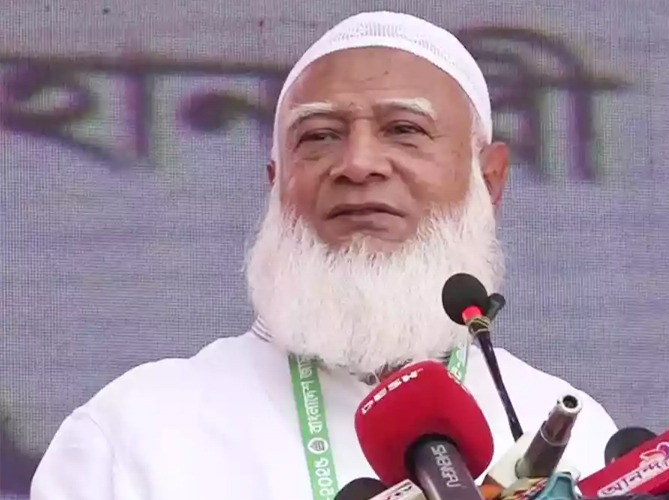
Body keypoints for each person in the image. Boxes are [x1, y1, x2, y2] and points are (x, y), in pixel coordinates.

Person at [31, 11, 618, 499]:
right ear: (276, 183)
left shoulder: (569, 434)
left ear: (488, 181)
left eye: (404, 129)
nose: (358, 164)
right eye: (319, 137)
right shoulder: (132, 433)